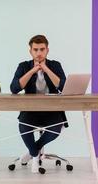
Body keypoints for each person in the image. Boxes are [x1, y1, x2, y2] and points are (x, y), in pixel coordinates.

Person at [10, 35, 68, 173]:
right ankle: (36, 154)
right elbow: (14, 88)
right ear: (30, 51)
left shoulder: (55, 65)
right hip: (30, 110)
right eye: (35, 49)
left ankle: (33, 151)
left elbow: (64, 87)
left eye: (42, 49)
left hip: (52, 111)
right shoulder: (23, 66)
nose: (39, 53)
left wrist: (46, 69)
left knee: (55, 129)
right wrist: (33, 70)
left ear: (47, 50)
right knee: (24, 126)